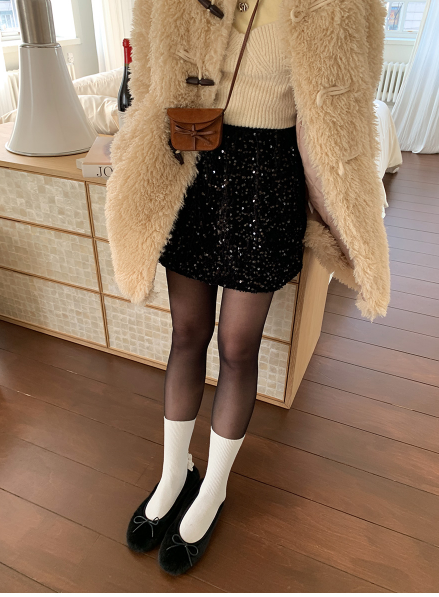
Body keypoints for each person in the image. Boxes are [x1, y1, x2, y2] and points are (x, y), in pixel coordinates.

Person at [106, 0, 390, 576]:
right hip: (189, 166)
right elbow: (147, 81)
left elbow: (346, 115)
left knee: (238, 347)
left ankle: (213, 487)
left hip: (269, 180)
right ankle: (174, 473)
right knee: (186, 334)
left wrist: (351, 217)